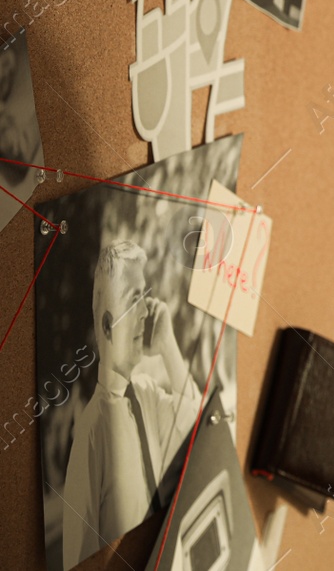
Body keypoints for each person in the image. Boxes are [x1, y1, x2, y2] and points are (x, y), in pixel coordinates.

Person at [59, 241, 202, 567]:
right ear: (108, 325)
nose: (145, 312)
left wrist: (167, 345)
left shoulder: (147, 394)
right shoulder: (91, 432)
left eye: (144, 296)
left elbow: (199, 432)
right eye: (133, 300)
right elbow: (78, 561)